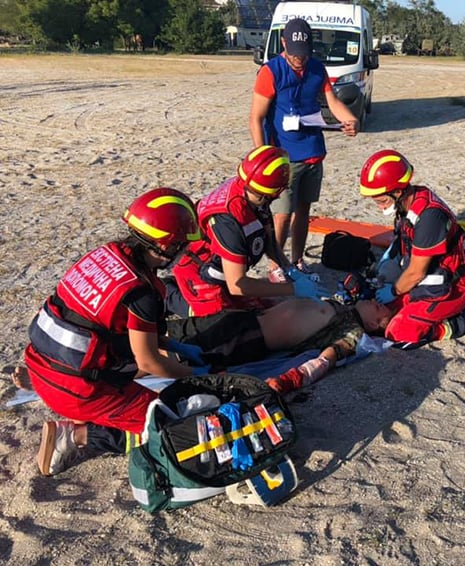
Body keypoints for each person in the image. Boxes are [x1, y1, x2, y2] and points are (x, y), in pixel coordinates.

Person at [20, 188, 208, 477]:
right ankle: (76, 435)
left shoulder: (107, 255)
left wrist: (180, 349)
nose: (185, 250)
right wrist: (194, 378)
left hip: (41, 367)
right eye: (183, 244)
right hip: (75, 391)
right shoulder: (142, 292)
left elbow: (103, 324)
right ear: (166, 246)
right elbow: (149, 362)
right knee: (173, 423)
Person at [249, 17, 359, 282]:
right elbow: (256, 118)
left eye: (305, 54)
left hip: (313, 152)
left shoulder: (317, 69)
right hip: (284, 158)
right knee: (282, 216)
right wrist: (264, 156)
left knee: (303, 212)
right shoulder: (271, 71)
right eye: (296, 55)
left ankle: (297, 260)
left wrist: (350, 119)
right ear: (284, 44)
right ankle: (277, 264)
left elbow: (331, 101)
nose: (300, 60)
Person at [169, 145, 327, 319]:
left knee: (260, 308)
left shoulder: (253, 190)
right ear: (278, 191)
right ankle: (167, 295)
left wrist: (290, 270)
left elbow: (268, 240)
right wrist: (293, 289)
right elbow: (238, 285)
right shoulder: (229, 220)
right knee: (223, 324)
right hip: (200, 273)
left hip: (224, 270)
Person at [359, 149, 465, 348]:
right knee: (383, 298)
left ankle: (460, 320)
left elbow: (416, 273)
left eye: (382, 200)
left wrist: (394, 290)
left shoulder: (429, 218)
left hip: (446, 287)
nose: (380, 207)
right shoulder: (411, 202)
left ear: (398, 191)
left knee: (399, 333)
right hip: (430, 273)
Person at [166, 297, 395, 394]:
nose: (374, 301)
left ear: (373, 323)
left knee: (175, 352)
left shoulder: (352, 331)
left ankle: (136, 370)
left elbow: (329, 356)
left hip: (251, 336)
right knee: (171, 333)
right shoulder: (342, 307)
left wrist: (294, 378)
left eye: (378, 307)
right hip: (244, 319)